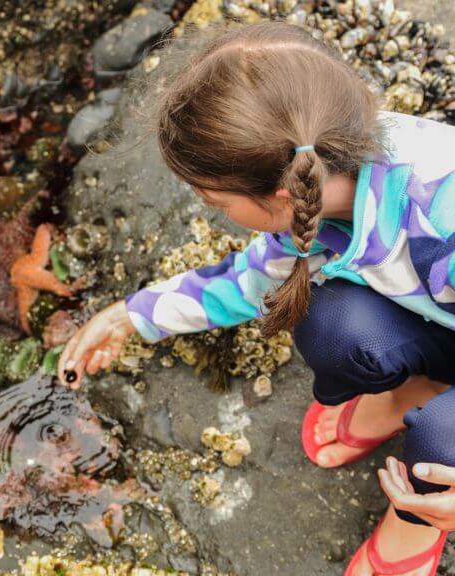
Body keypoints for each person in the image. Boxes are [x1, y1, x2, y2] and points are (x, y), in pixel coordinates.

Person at [57, 20, 455, 576]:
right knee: (330, 325)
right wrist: (132, 316)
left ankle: (417, 518)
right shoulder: (321, 180)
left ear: (280, 194)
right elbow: (248, 284)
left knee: (443, 438)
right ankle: (419, 387)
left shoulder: (442, 212)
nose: (213, 212)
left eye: (216, 203)